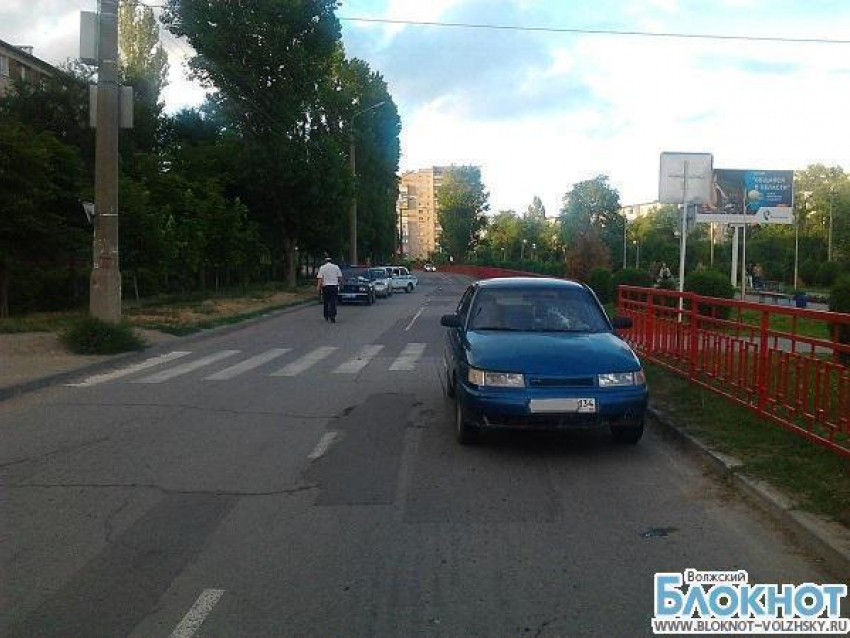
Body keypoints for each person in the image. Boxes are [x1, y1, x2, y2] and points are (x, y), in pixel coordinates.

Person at [317, 256, 343, 323]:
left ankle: (326, 315)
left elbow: (320, 278)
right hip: (334, 286)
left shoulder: (322, 267)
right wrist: (341, 285)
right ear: (331, 261)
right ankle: (333, 316)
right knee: (333, 302)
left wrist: (318, 287)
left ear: (325, 261)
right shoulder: (336, 267)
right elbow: (340, 277)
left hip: (325, 287)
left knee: (326, 302)